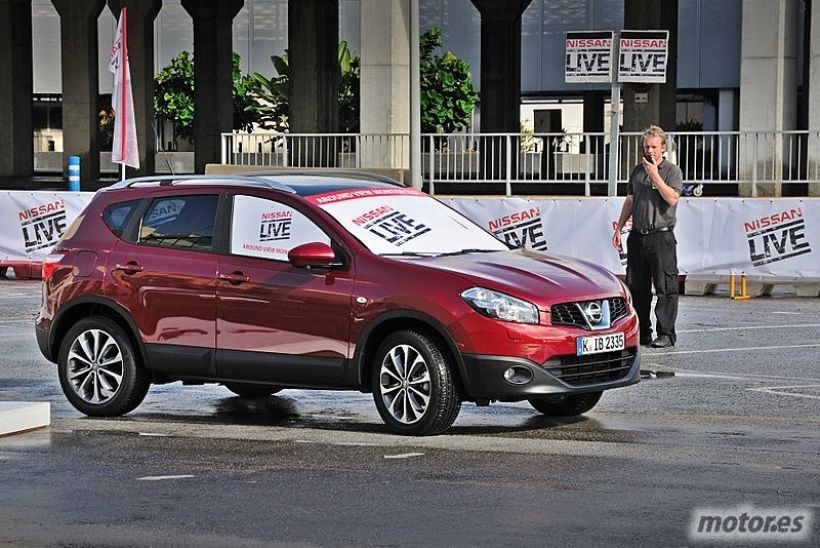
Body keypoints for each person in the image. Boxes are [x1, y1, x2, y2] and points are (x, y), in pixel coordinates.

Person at [612, 125, 683, 349]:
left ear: (663, 148)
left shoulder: (672, 171)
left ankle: (666, 333)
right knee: (638, 288)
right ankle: (642, 332)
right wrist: (619, 227)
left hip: (661, 237)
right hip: (638, 237)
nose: (650, 150)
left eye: (654, 146)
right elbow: (630, 201)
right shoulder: (637, 171)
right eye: (646, 146)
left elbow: (672, 198)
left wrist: (655, 175)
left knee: (665, 288)